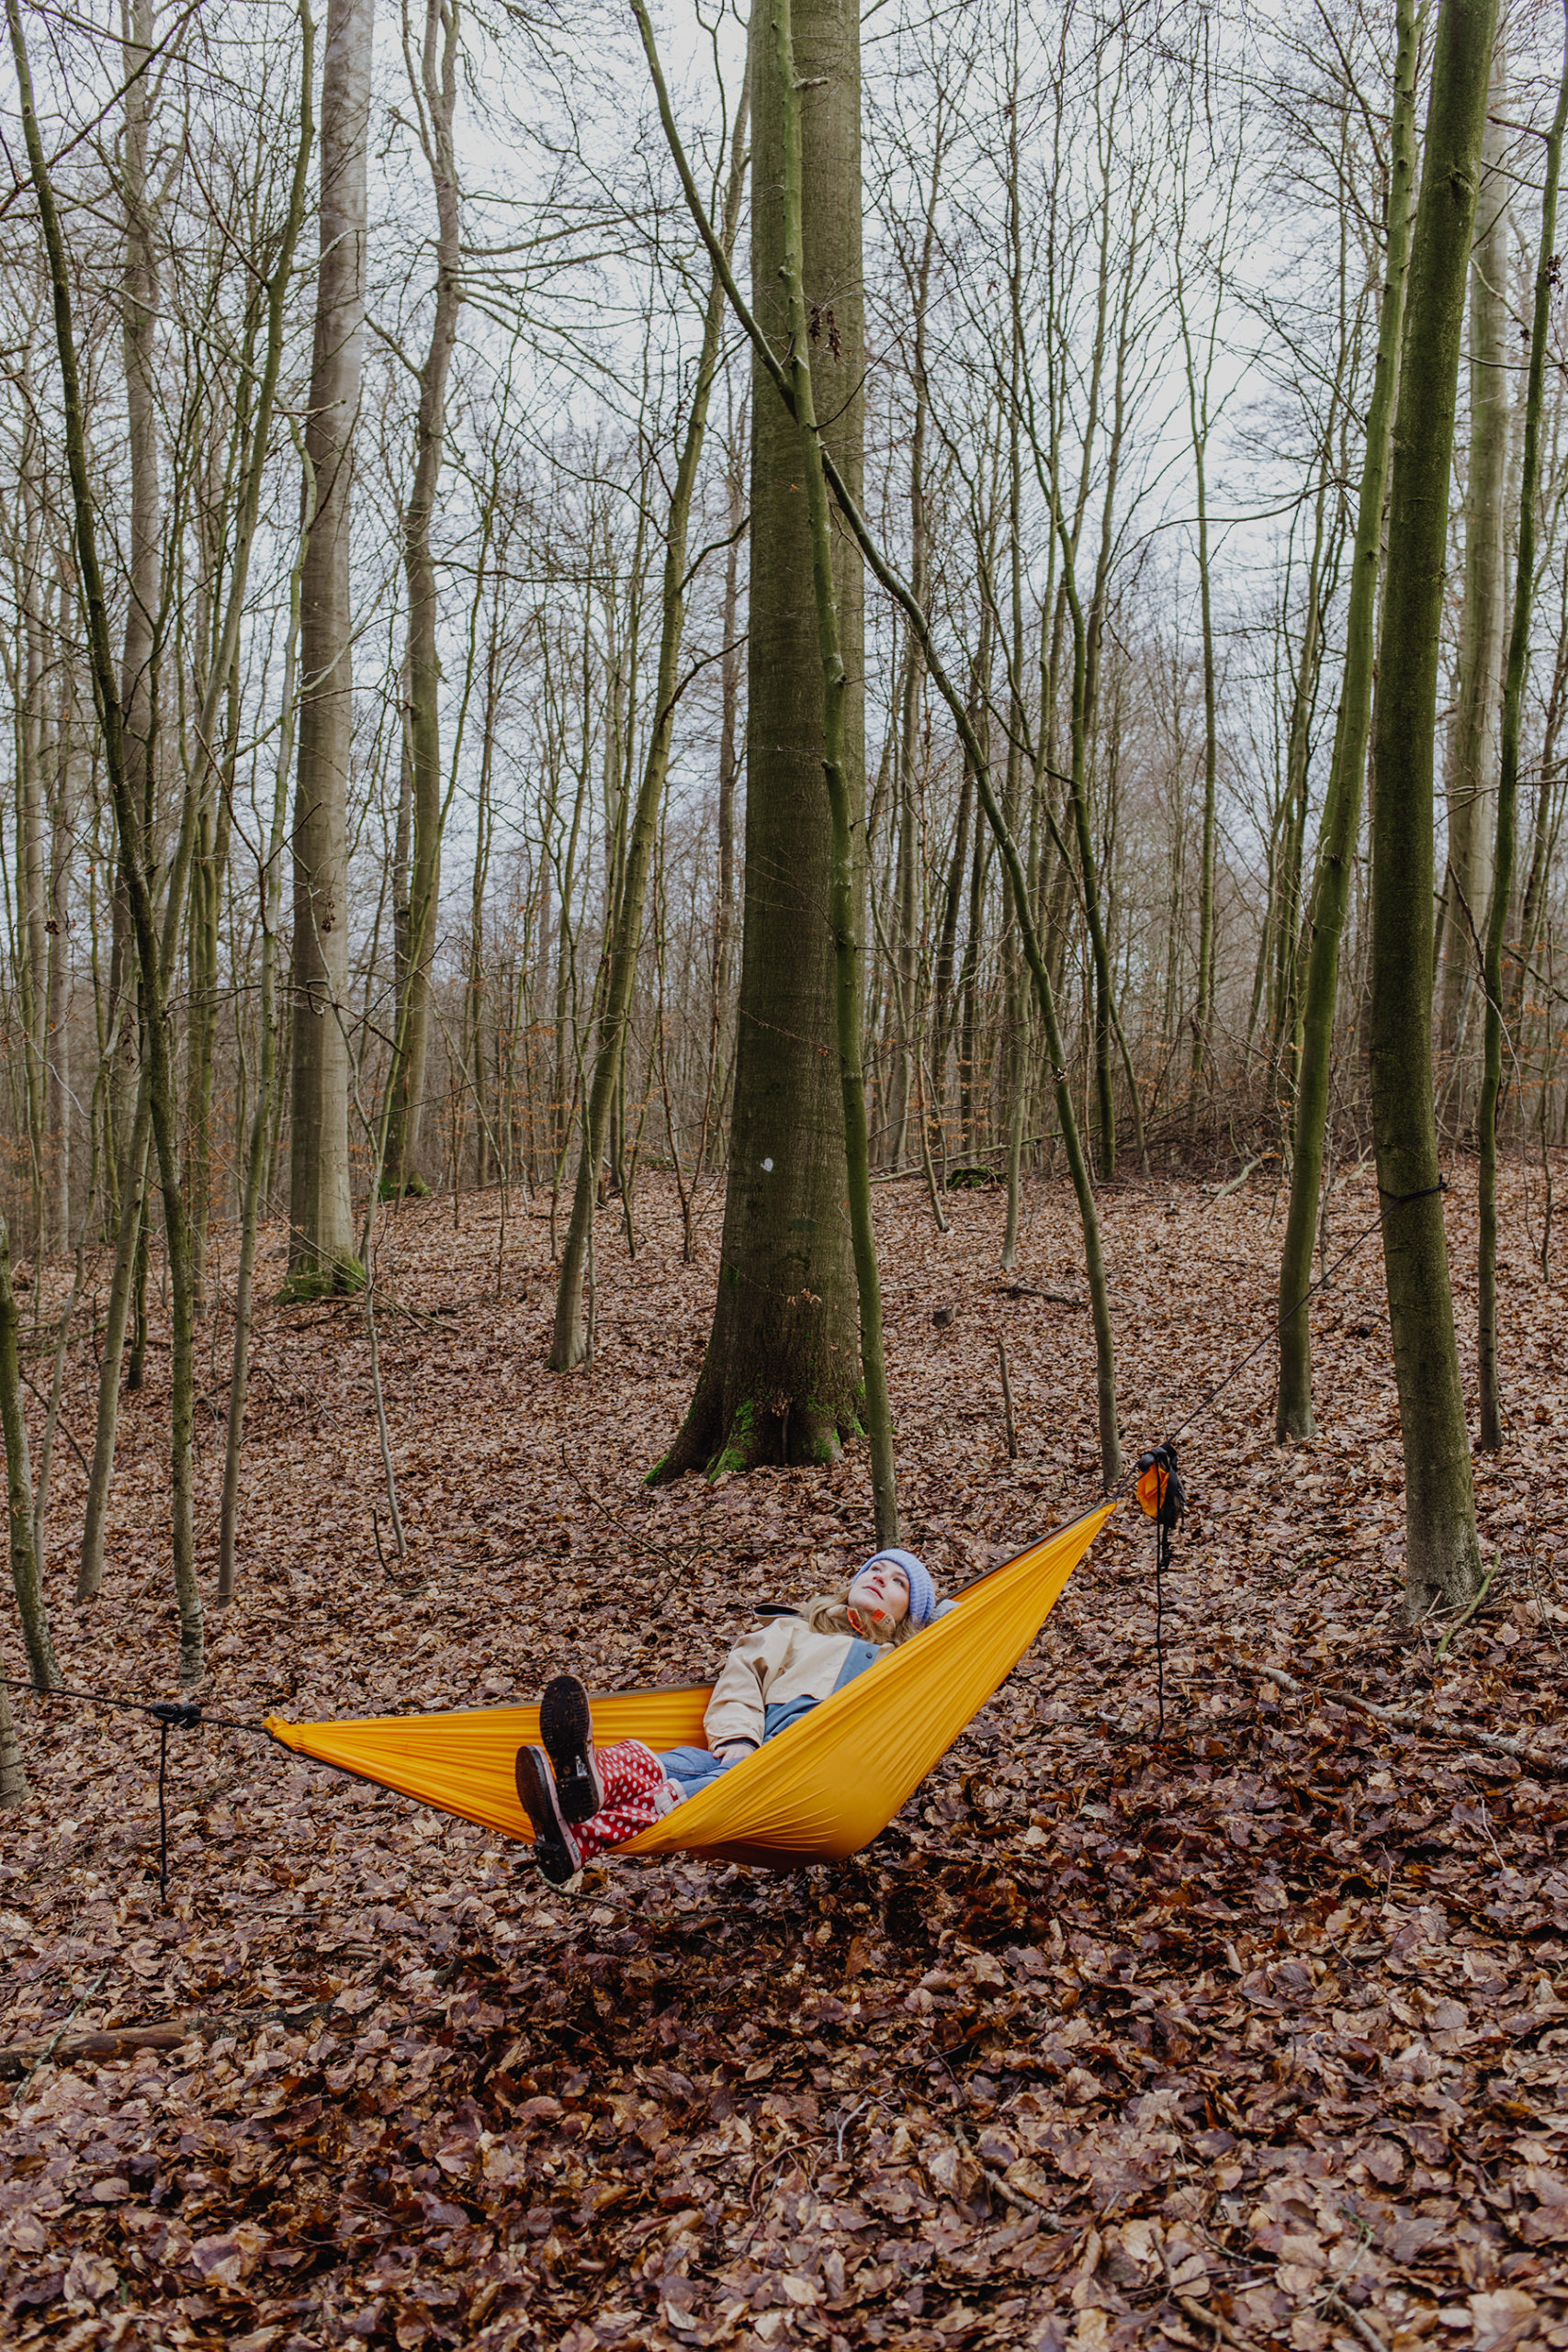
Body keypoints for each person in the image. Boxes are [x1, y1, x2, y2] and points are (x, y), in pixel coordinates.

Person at [513, 1548, 953, 1886]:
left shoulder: (900, 1660)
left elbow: (957, 1642)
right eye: (875, 1569)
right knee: (698, 1762)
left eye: (899, 1583)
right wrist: (738, 1740)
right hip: (765, 1742)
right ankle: (591, 1782)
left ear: (909, 1616)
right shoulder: (795, 1630)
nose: (881, 1578)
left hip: (826, 1768)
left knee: (716, 1785)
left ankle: (590, 1826)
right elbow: (741, 1681)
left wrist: (937, 1617)